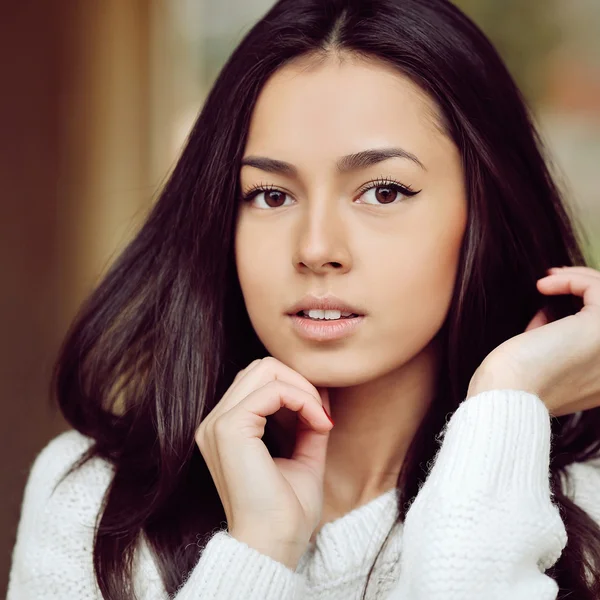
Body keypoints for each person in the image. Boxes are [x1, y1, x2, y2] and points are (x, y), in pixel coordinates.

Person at [7, 0, 600, 598]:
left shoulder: (587, 510)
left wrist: (505, 401)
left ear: (485, 213)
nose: (316, 249)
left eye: (384, 191)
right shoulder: (95, 506)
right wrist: (257, 551)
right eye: (270, 195)